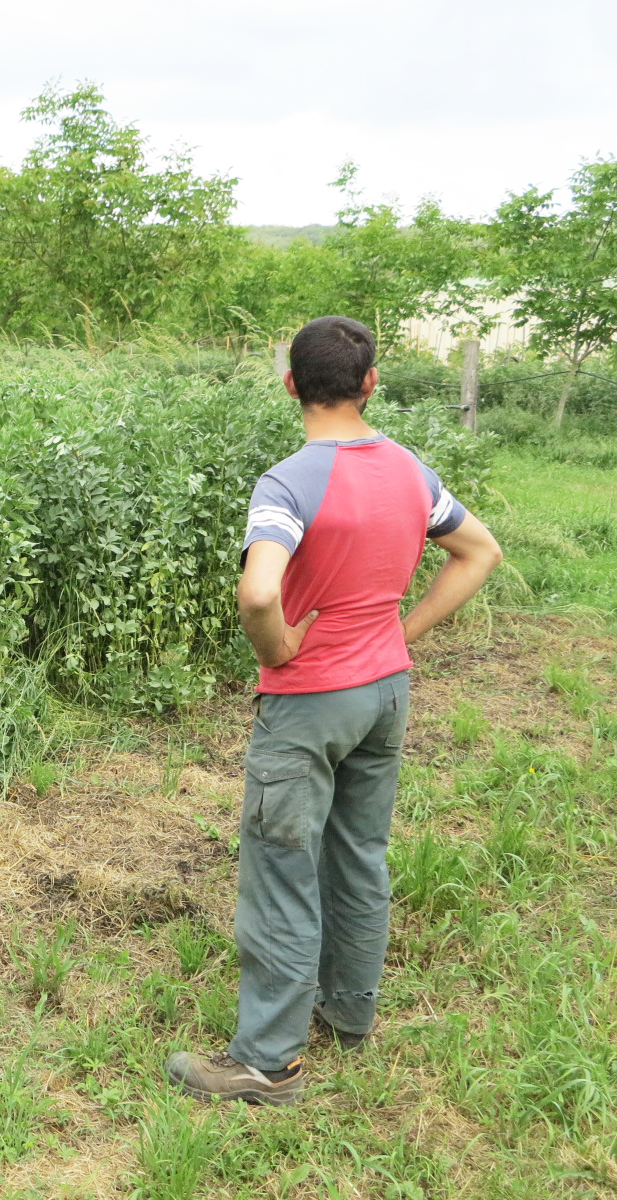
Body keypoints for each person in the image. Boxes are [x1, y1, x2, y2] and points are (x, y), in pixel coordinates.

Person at [165, 316, 501, 1105]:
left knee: (282, 869)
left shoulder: (290, 481)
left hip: (311, 701)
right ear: (370, 383)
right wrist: (400, 630)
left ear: (291, 385)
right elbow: (479, 550)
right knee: (358, 853)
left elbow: (258, 591)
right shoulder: (411, 471)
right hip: (385, 694)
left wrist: (279, 646)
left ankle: (265, 1061)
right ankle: (349, 1013)